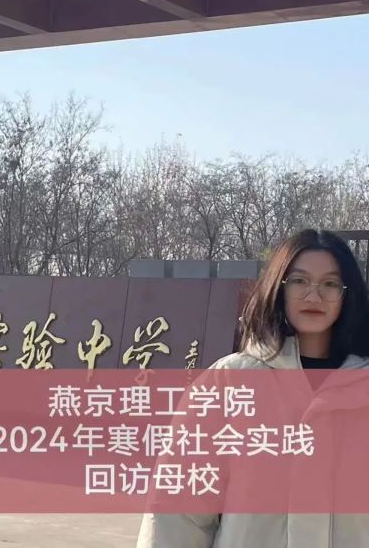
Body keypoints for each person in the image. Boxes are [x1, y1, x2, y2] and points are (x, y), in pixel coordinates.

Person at [136, 228, 369, 547]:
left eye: (330, 283)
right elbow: (179, 510)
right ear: (278, 287)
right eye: (299, 281)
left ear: (347, 294)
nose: (313, 295)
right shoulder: (229, 383)